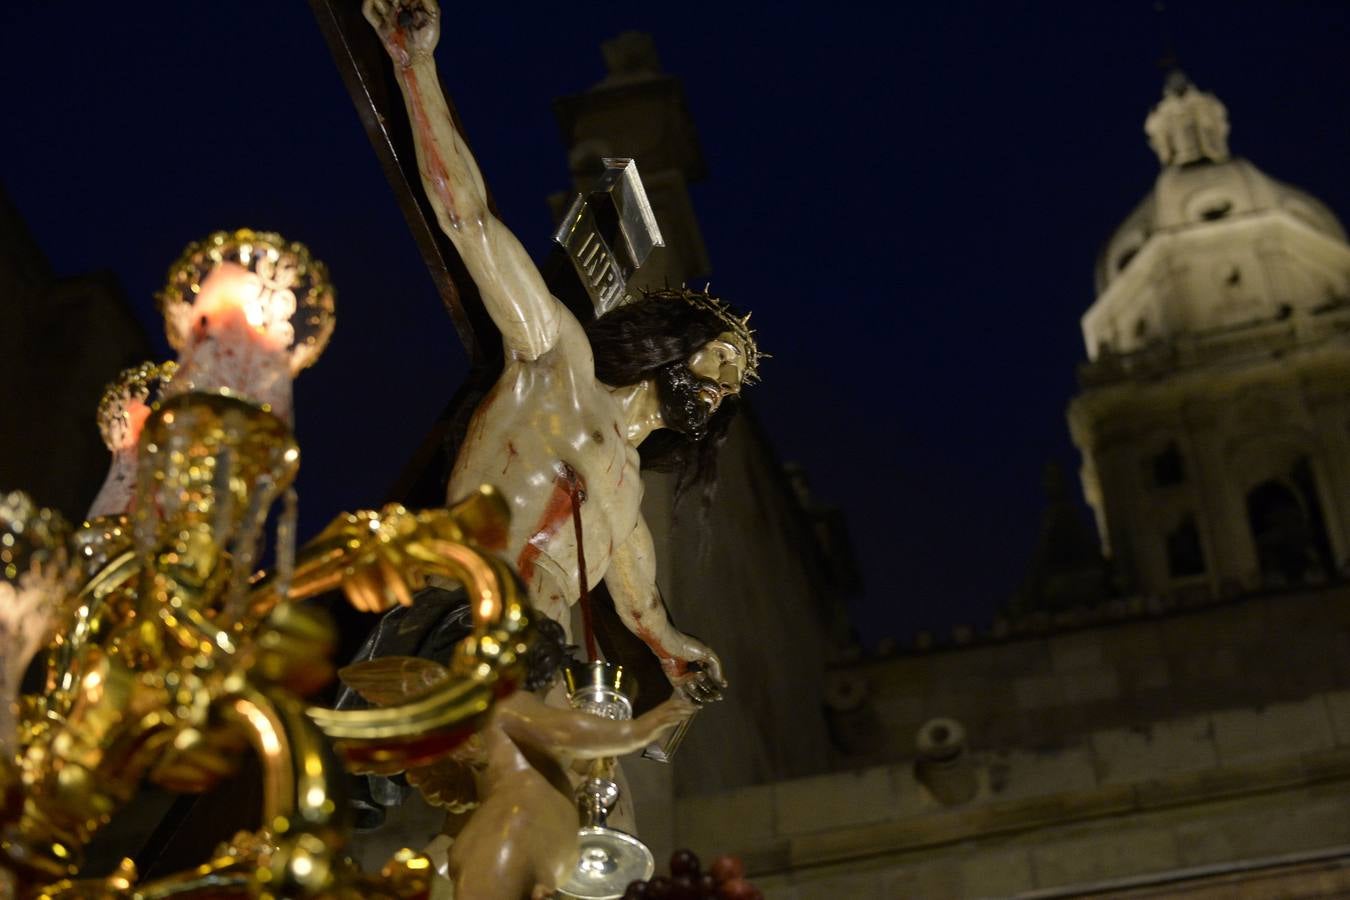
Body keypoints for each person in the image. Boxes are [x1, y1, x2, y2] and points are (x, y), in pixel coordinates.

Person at [363, 0, 763, 703]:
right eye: (719, 358)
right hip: (465, 622)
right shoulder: (555, 361)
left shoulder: (627, 500)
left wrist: (677, 654)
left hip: (540, 668)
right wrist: (413, 65)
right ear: (670, 342)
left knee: (587, 791)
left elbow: (644, 615)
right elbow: (469, 221)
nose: (724, 385)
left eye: (734, 382)